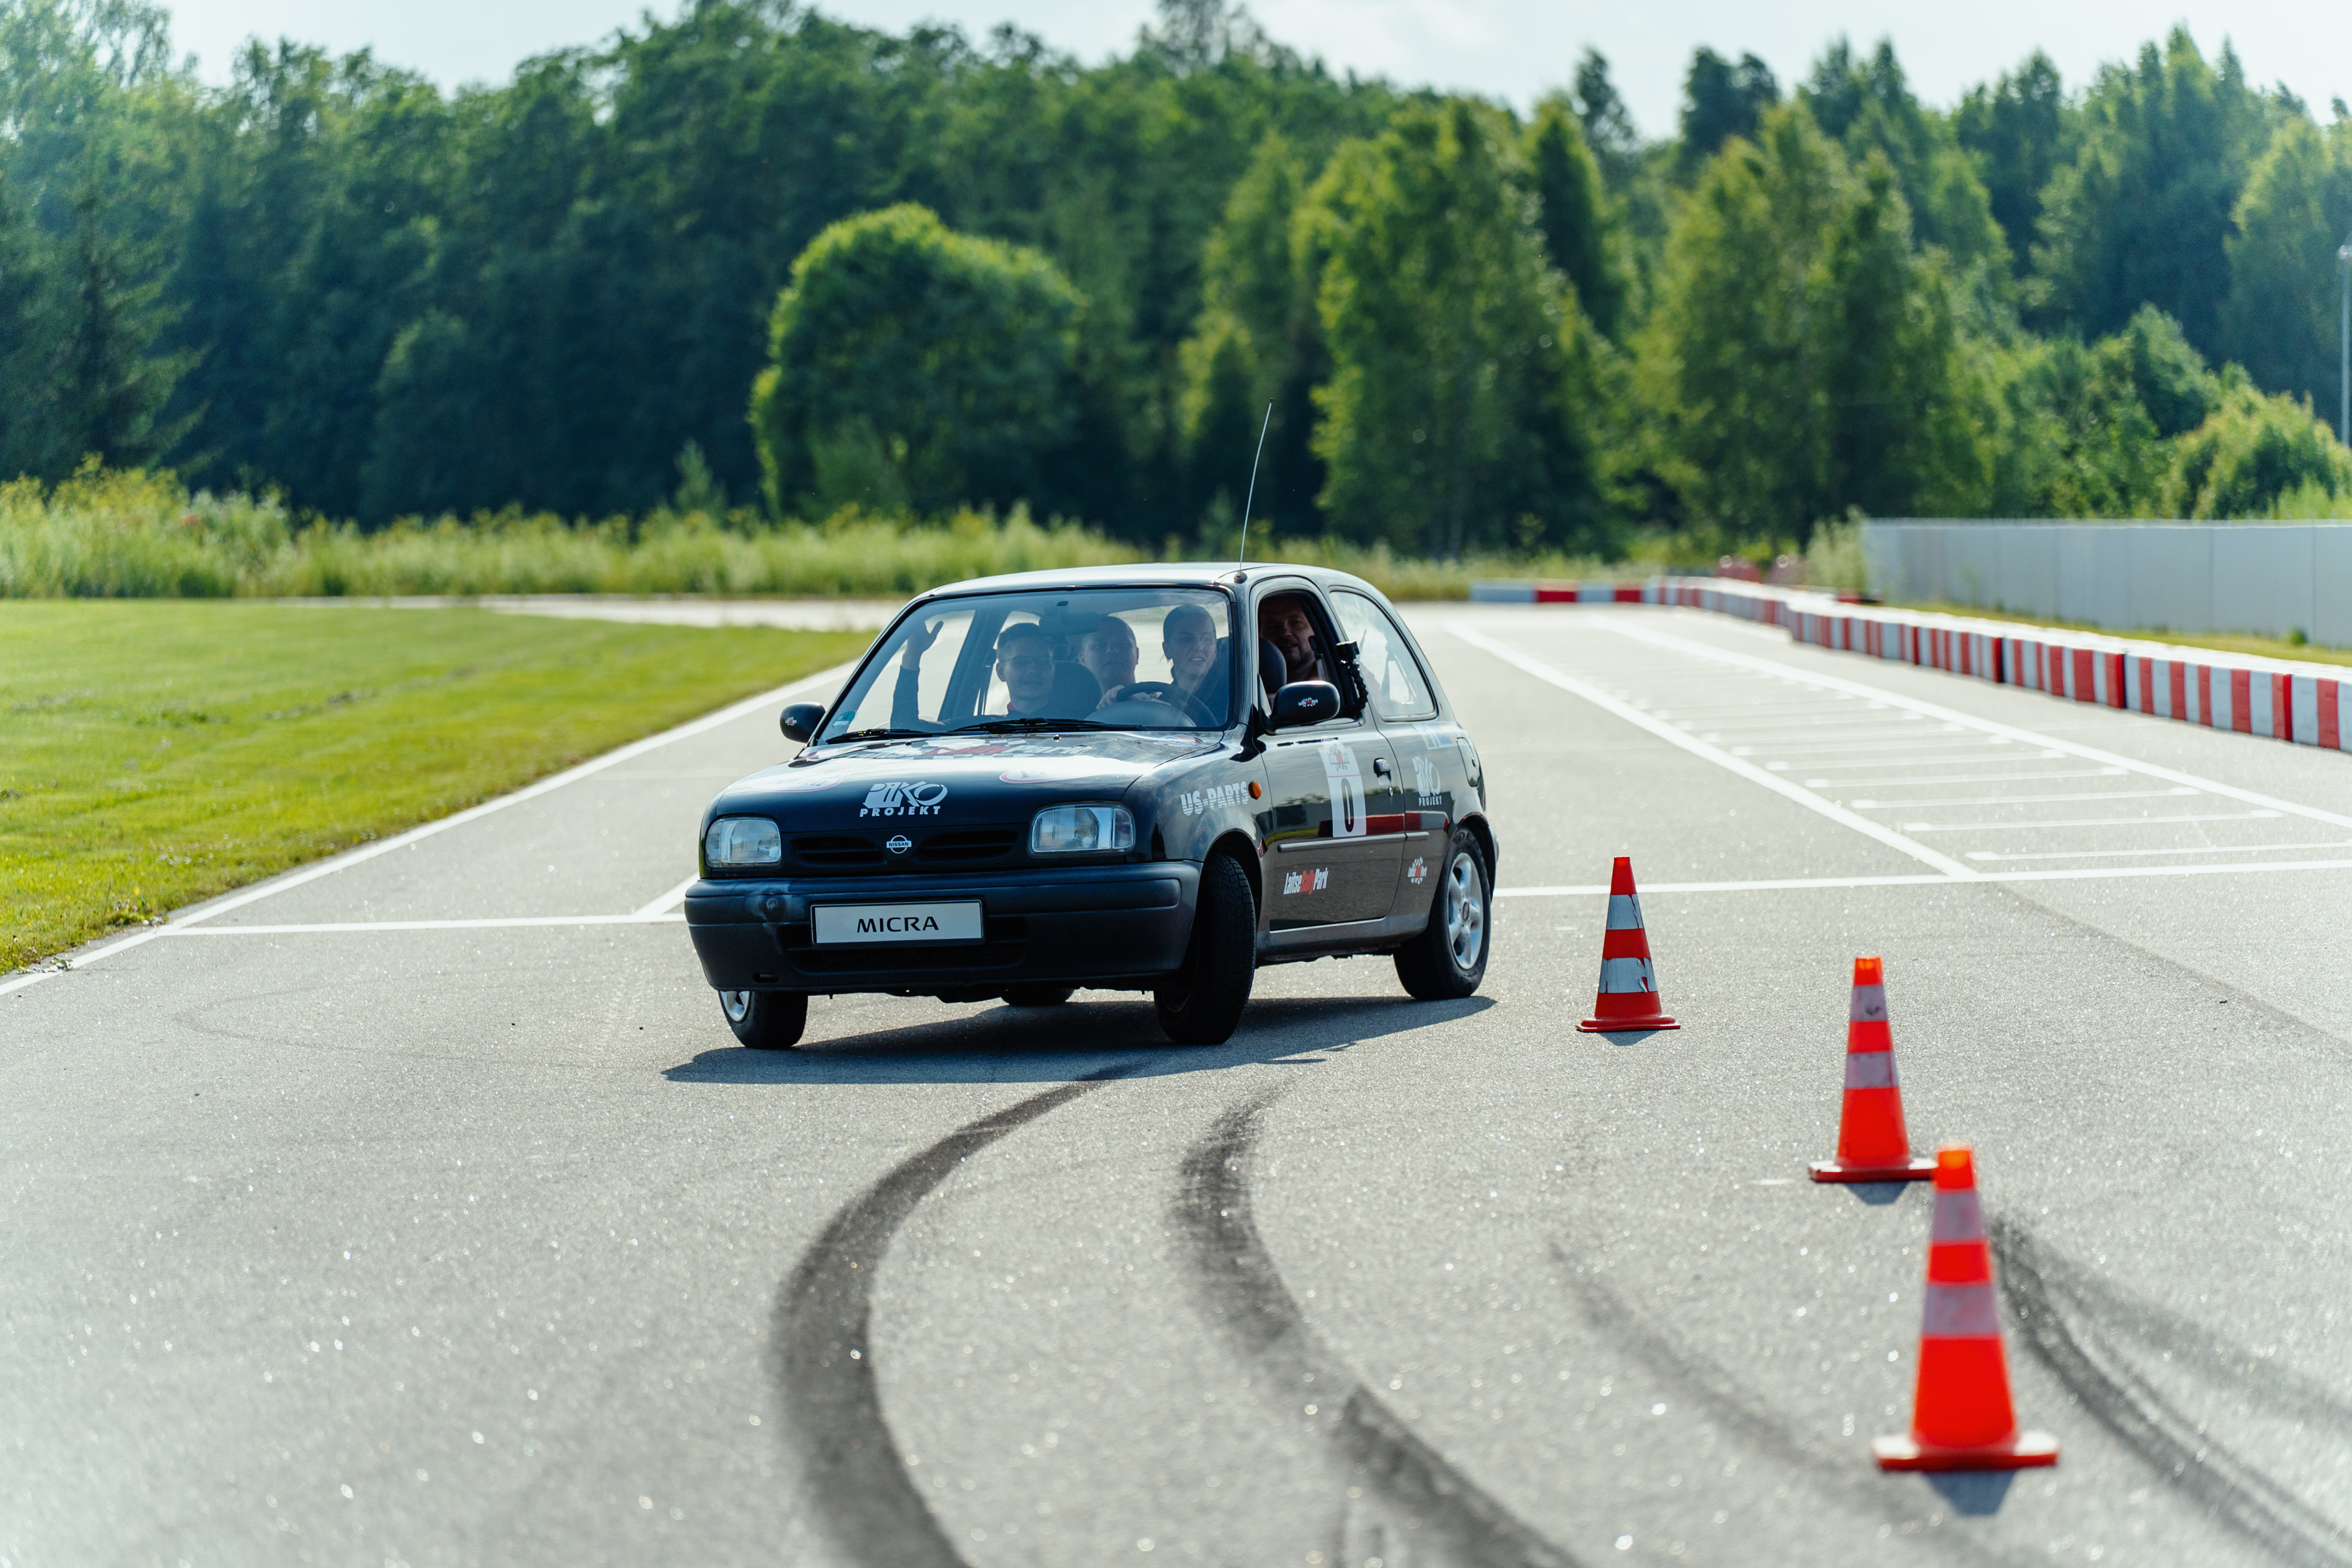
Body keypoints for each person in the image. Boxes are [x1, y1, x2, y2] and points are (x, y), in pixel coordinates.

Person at [1258, 594, 1330, 686]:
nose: (1285, 634)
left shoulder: (1332, 678)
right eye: (1273, 627)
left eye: (1296, 623)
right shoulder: (1250, 683)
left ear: (1315, 629)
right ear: (1260, 635)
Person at [991, 621, 1060, 716]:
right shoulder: (982, 729)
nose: (1033, 670)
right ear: (1001, 672)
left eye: (1044, 661)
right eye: (1021, 662)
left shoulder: (1081, 725)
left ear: (1054, 668)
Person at [1074, 614, 1140, 701]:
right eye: (1100, 646)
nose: (1112, 650)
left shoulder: (1157, 702)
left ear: (1137, 654)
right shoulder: (1072, 710)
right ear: (1082, 659)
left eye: (1122, 644)